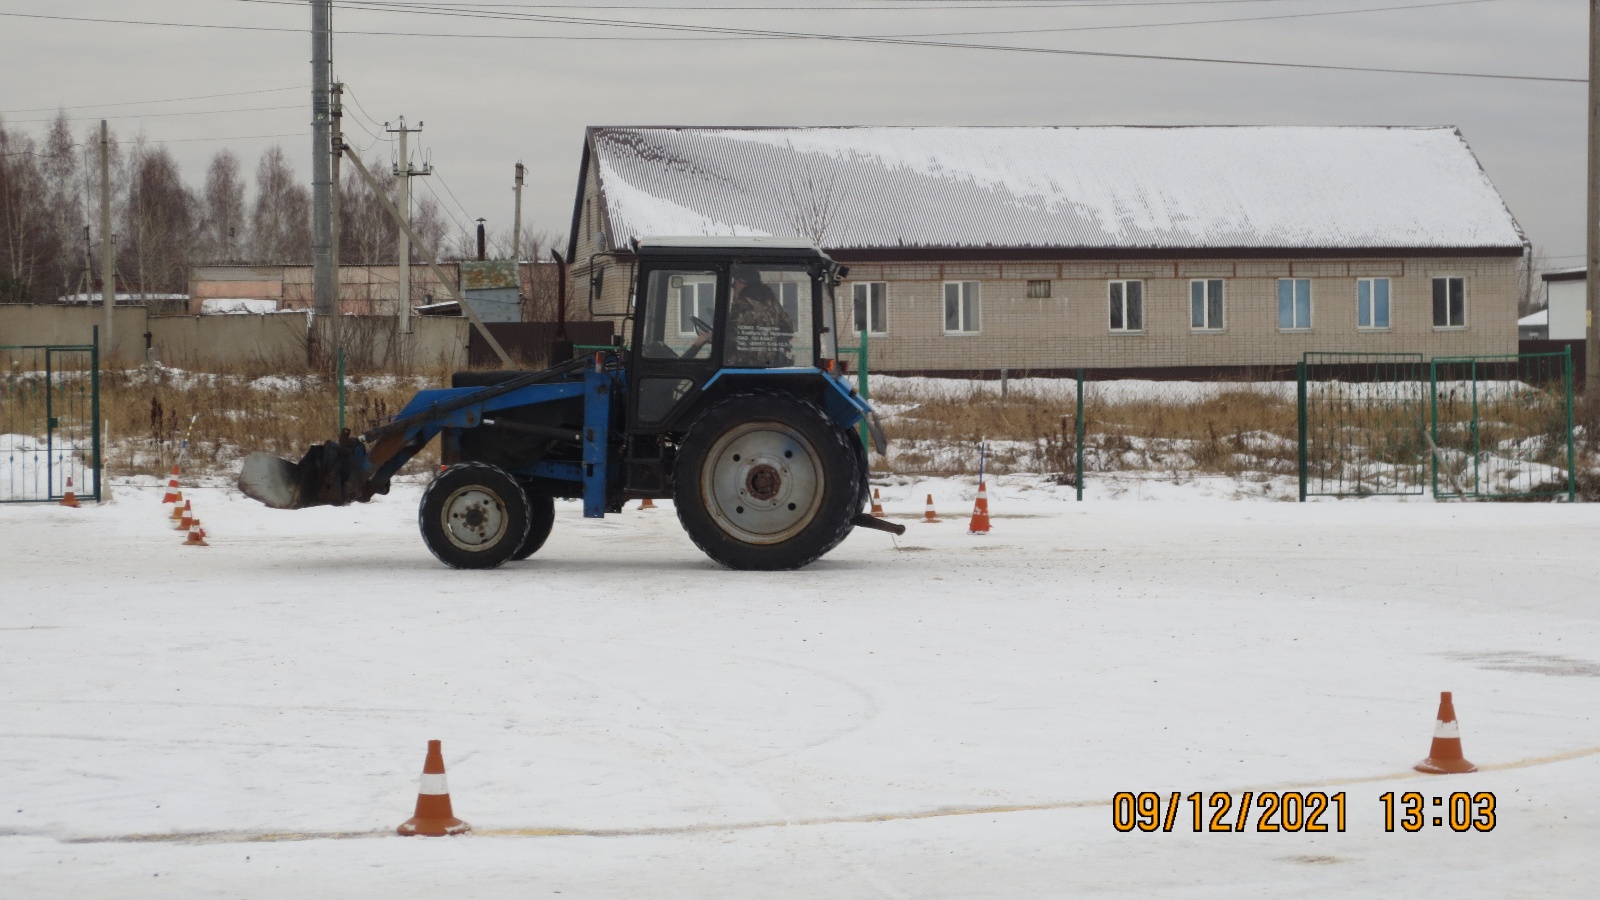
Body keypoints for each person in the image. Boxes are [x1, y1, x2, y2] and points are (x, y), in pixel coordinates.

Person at [686, 269, 795, 366]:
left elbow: (731, 337)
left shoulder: (744, 305)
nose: (733, 286)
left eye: (735, 282)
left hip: (743, 363)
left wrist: (710, 337)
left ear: (744, 283)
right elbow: (789, 330)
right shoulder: (774, 304)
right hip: (769, 361)